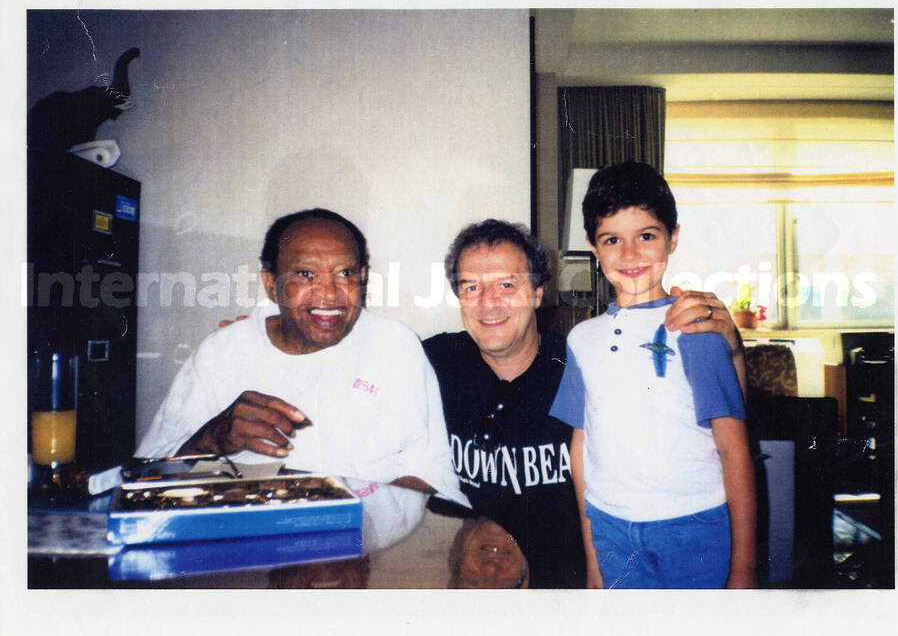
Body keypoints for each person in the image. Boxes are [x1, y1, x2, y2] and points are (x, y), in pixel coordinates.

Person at [424, 219, 746, 589]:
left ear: (538, 292)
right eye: (471, 287)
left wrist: (731, 350)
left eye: (507, 285)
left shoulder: (586, 363)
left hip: (568, 589)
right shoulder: (433, 362)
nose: (488, 302)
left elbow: (722, 434)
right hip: (466, 584)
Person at [136, 208, 469, 550]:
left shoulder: (395, 346)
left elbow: (429, 466)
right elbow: (147, 478)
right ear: (271, 283)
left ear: (362, 278)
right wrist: (209, 440)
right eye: (306, 274)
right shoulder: (223, 353)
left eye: (345, 273)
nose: (329, 294)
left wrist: (366, 532)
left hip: (369, 553)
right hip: (252, 559)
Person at [549, 162, 757, 589]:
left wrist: (744, 571)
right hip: (610, 528)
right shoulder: (581, 339)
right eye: (612, 239)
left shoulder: (698, 326)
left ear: (673, 237)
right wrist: (592, 559)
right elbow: (581, 450)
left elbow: (736, 452)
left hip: (695, 526)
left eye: (646, 235)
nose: (630, 254)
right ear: (593, 245)